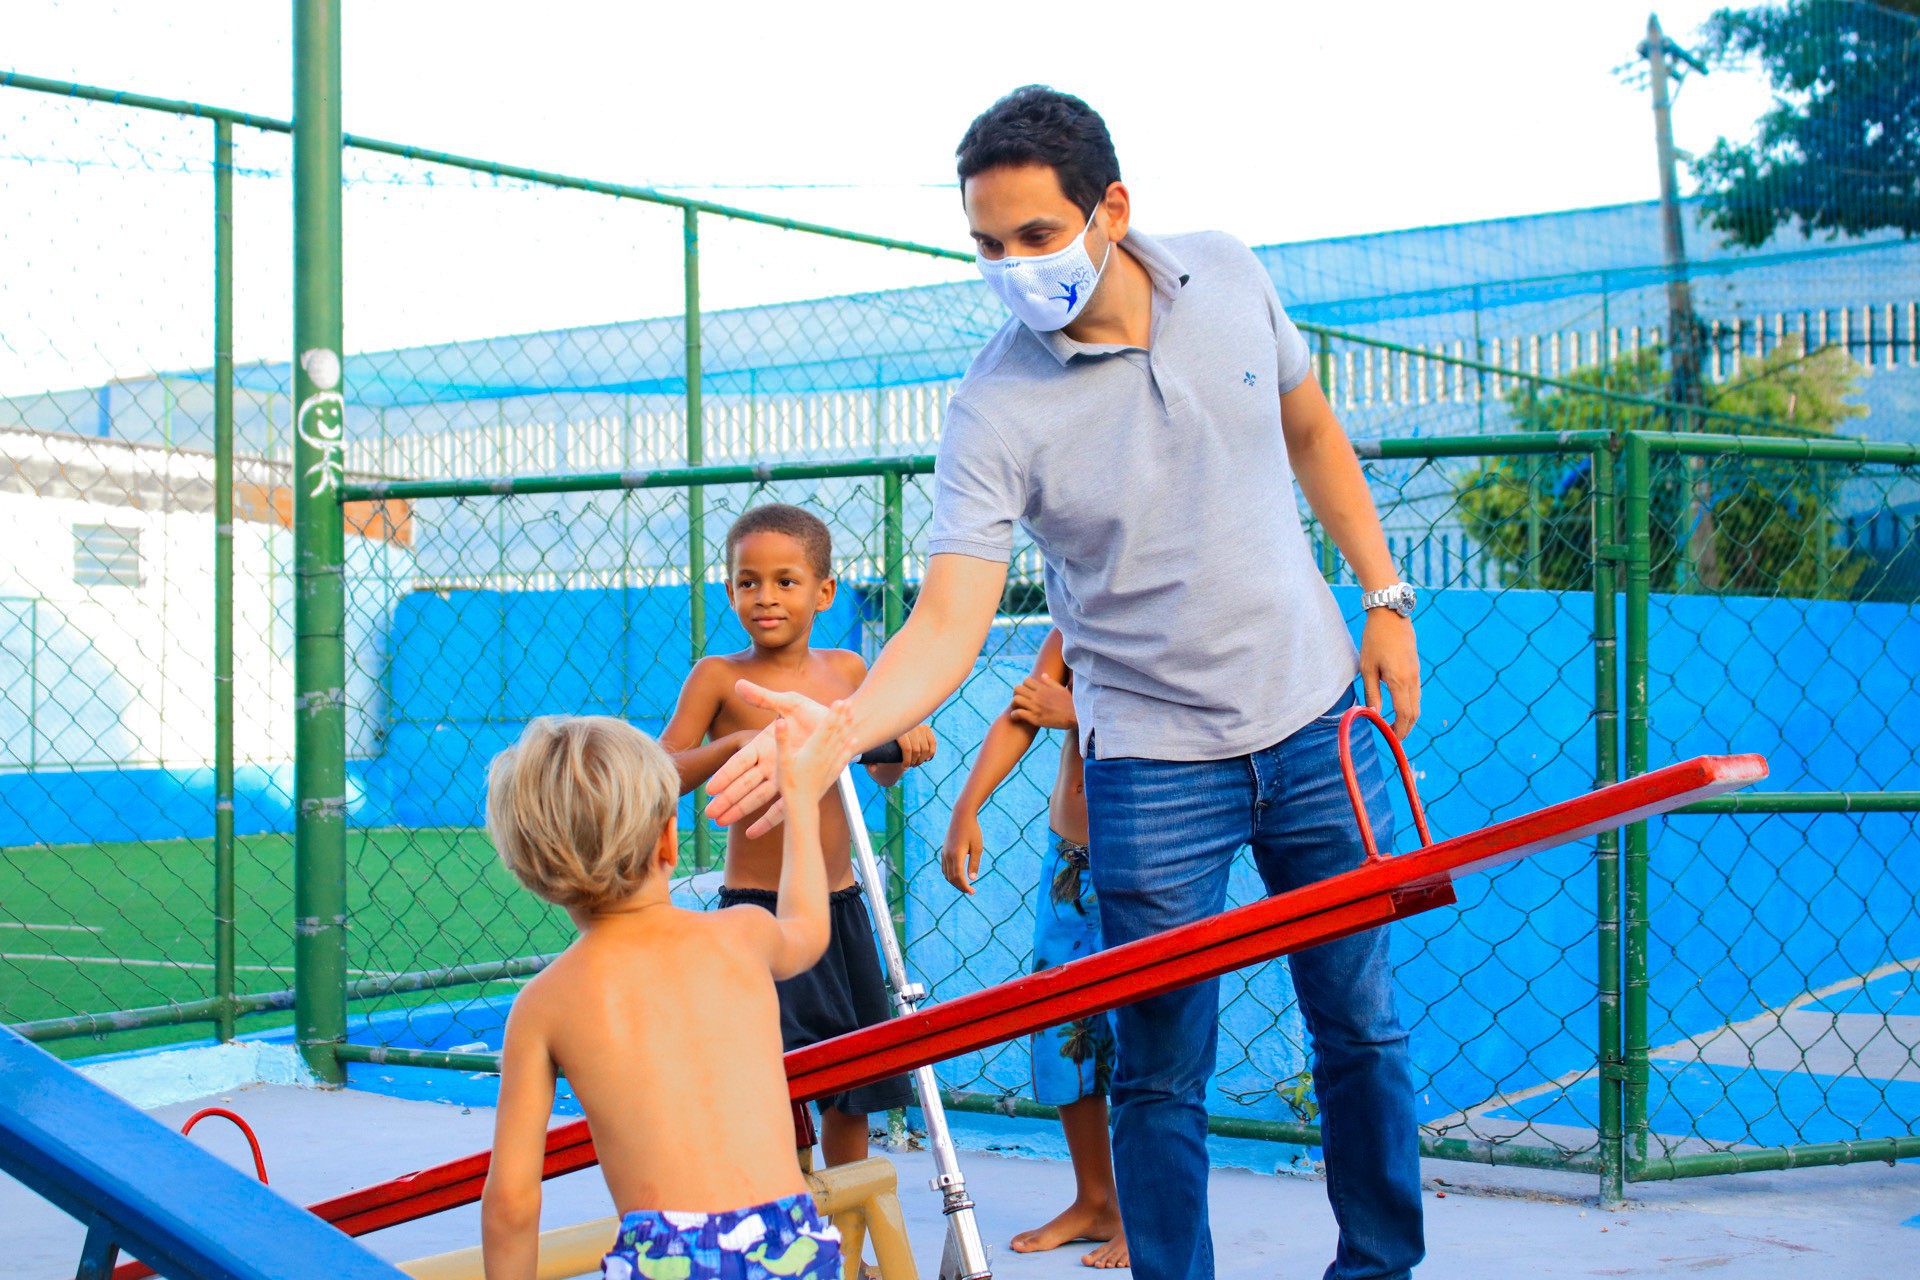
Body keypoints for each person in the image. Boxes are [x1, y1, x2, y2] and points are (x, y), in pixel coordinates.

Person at [702, 86, 1426, 1280]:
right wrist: (843, 727)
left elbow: (1309, 427)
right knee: (1156, 1058)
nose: (1013, 269)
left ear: (1112, 209)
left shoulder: (1230, 275)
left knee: (1360, 1023)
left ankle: (1381, 1263)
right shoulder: (995, 406)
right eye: (987, 247)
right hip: (1149, 759)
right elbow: (948, 619)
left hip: (1314, 719)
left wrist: (1384, 595)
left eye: (1037, 238)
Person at [478, 707, 856, 1280]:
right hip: (789, 1242)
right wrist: (800, 802)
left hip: (668, 1258)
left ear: (533, 869)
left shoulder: (544, 1005)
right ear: (668, 839)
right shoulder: (742, 934)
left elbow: (511, 1199)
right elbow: (809, 928)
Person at [661, 502, 937, 1173]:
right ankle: (794, 1225)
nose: (766, 596)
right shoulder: (719, 678)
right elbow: (662, 770)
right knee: (771, 1082)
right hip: (758, 911)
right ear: (729, 592)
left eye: (786, 581)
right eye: (748, 582)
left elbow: (883, 773)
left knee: (853, 1087)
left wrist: (903, 746)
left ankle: (846, 1244)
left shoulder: (845, 671)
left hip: (838, 909)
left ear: (824, 592)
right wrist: (738, 741)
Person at [941, 625, 1127, 1268]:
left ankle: (1143, 1205)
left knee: (1145, 1032)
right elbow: (1020, 715)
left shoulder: (1176, 612)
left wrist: (1079, 712)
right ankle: (1095, 1198)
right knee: (1065, 1030)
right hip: (1071, 860)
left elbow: (1192, 717)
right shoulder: (1072, 626)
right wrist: (968, 805)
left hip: (1147, 862)